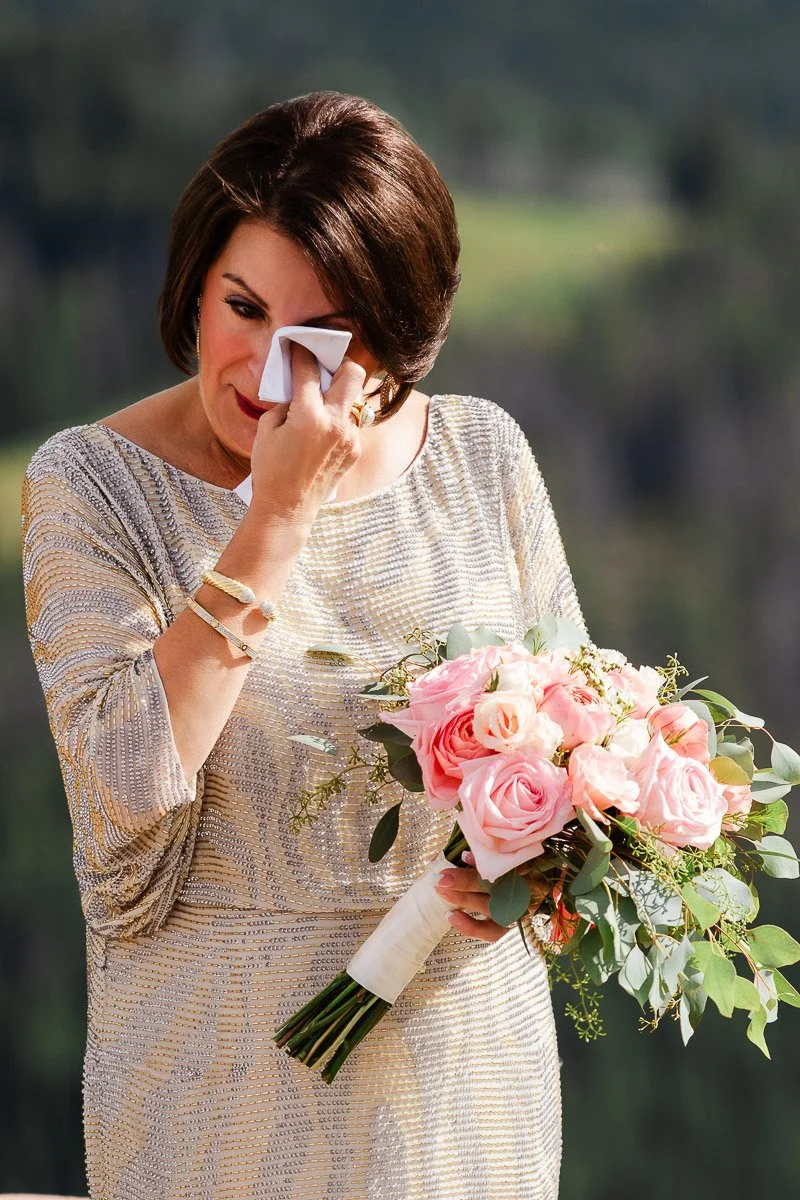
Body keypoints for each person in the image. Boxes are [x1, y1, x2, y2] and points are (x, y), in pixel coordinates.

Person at [20, 90, 588, 1200]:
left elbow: (574, 761)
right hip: (216, 1093)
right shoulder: (88, 485)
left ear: (388, 345)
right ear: (194, 282)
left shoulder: (482, 455)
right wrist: (272, 518)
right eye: (240, 307)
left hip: (462, 1091)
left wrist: (538, 870)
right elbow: (125, 794)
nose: (261, 370)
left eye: (317, 339)